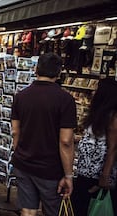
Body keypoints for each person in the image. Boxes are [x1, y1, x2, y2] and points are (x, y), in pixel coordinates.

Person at [10, 52, 77, 216]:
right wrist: (68, 174)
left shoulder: (20, 97)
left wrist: (21, 152)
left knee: (28, 210)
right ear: (59, 72)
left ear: (36, 69)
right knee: (52, 211)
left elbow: (15, 132)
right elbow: (66, 141)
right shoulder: (65, 100)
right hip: (50, 168)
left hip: (23, 163)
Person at [72, 78, 117, 216]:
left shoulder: (113, 117)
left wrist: (104, 177)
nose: (93, 91)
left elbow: (113, 148)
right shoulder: (98, 115)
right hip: (84, 174)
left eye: (97, 89)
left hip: (96, 177)